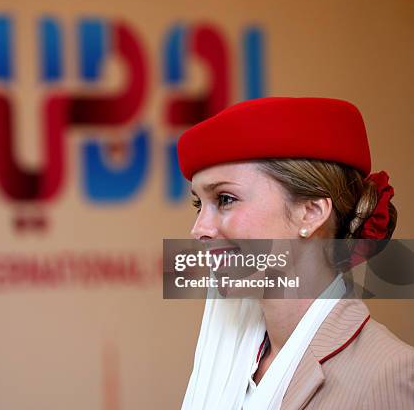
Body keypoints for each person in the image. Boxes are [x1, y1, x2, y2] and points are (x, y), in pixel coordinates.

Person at [176, 97, 414, 409]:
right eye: (198, 204)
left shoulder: (391, 375)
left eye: (225, 199)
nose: (199, 229)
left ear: (311, 212)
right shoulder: (226, 352)